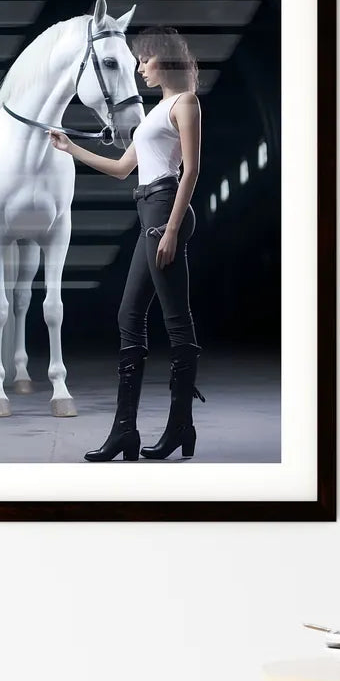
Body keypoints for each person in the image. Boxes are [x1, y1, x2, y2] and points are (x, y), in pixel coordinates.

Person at [48, 25, 204, 462]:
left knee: (176, 320)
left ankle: (180, 426)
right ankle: (124, 432)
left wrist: (171, 229)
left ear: (164, 59)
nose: (140, 68)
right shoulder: (156, 113)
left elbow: (191, 170)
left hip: (165, 209)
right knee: (129, 315)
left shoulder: (185, 103)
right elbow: (121, 169)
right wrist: (70, 147)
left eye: (145, 60)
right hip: (149, 209)